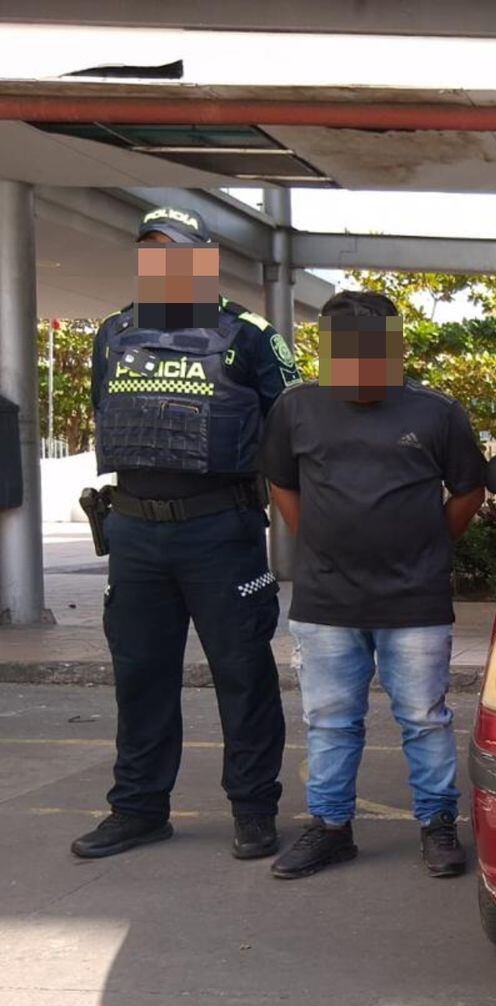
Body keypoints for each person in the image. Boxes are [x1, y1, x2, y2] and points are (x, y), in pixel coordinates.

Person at [71, 206, 298, 861]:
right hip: (135, 532)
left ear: (203, 258)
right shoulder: (113, 332)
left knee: (243, 674)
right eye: (151, 252)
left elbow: (294, 429)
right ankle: (138, 810)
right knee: (139, 676)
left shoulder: (250, 334)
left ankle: (254, 810)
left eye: (175, 251)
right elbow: (103, 411)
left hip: (220, 531)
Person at [259, 291, 487, 880]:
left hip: (414, 601)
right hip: (326, 601)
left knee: (424, 718)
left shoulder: (437, 413)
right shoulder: (296, 409)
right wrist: (315, 539)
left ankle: (437, 826)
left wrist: (428, 547)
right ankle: (330, 828)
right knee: (331, 720)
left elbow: (468, 492)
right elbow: (281, 481)